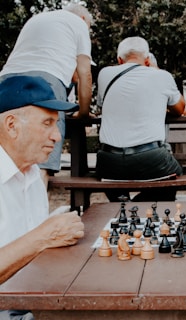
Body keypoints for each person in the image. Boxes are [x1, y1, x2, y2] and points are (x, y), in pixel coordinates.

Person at [0, 76, 85, 319]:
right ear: (12, 125)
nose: (57, 137)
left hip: (34, 303)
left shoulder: (31, 172)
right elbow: (37, 240)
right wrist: (44, 236)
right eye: (47, 123)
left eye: (56, 125)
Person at [0, 3, 93, 187]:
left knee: (6, 158)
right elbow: (85, 74)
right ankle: (38, 214)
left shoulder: (38, 19)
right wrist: (83, 112)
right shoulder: (79, 23)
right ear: (83, 20)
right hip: (47, 80)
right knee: (41, 161)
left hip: (6, 80)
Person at [96, 36, 186, 202]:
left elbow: (103, 105)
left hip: (108, 162)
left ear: (119, 60)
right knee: (176, 175)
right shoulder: (161, 76)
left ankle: (121, 203)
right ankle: (136, 206)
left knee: (108, 174)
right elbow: (180, 109)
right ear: (147, 60)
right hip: (150, 159)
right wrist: (156, 69)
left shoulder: (104, 74)